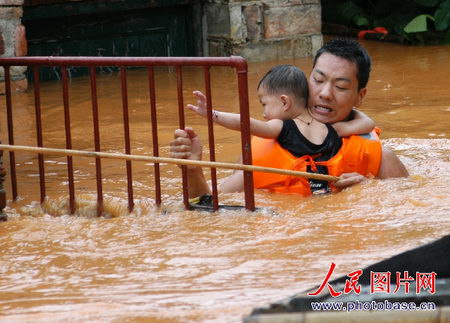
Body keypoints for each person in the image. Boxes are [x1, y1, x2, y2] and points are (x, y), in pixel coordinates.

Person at [169, 38, 408, 200]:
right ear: (306, 81)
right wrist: (193, 171)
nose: (325, 93)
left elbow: (410, 206)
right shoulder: (260, 153)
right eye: (318, 80)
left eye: (341, 86)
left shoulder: (378, 158)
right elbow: (208, 208)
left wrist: (366, 191)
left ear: (360, 96)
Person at [186, 64, 375, 195]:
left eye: (265, 104)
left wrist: (213, 114)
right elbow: (368, 124)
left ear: (284, 102)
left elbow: (246, 124)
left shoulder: (281, 127)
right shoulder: (333, 128)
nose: (263, 113)